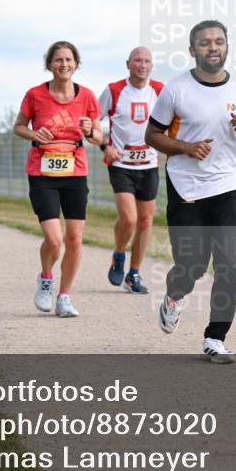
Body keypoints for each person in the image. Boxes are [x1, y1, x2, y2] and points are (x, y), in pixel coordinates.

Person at [145, 20, 236, 364]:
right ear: (192, 50)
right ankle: (174, 294)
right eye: (204, 43)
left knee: (234, 266)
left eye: (218, 42)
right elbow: (152, 136)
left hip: (227, 185)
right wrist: (185, 147)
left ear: (227, 47)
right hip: (186, 188)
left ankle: (215, 338)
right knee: (192, 265)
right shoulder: (175, 90)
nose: (212, 47)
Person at [13, 41, 102, 318]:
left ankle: (64, 296)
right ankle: (46, 279)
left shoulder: (86, 96)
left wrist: (90, 131)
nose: (64, 64)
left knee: (74, 239)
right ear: (49, 64)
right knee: (54, 240)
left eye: (68, 60)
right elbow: (18, 127)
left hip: (75, 172)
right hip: (42, 173)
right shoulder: (35, 95)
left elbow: (98, 137)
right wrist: (33, 134)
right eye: (58, 60)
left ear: (76, 64)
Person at [97, 46, 164, 294]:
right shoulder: (114, 90)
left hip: (148, 164)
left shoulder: (159, 90)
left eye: (147, 60)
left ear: (152, 65)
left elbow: (175, 120)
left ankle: (134, 273)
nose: (142, 65)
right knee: (129, 218)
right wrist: (105, 146)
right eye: (137, 60)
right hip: (121, 164)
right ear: (128, 64)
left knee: (145, 222)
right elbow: (91, 121)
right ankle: (118, 255)